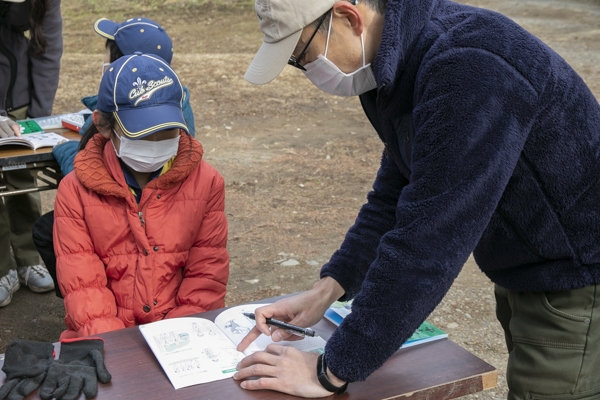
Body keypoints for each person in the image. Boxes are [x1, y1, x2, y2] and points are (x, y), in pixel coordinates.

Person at [233, 0, 600, 398]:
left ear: (348, 17)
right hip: (530, 261)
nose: (306, 72)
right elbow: (398, 190)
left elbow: (430, 237)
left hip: (578, 275)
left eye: (301, 55)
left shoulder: (467, 66)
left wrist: (331, 370)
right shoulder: (395, 63)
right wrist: (330, 288)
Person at [52, 53, 229, 339]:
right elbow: (85, 288)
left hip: (183, 335)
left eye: (167, 130)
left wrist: (177, 339)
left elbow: (205, 277)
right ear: (103, 125)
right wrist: (118, 348)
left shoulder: (206, 182)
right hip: (107, 337)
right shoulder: (75, 191)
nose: (157, 143)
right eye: (142, 134)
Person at [32, 16, 197, 298]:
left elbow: (87, 171)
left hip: (135, 209)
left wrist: (63, 148)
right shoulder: (178, 101)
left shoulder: (204, 183)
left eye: (106, 53)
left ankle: (89, 293)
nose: (103, 60)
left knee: (49, 231)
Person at [0, 0, 62, 307]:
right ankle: (1, 269)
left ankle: (28, 258)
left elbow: (48, 50)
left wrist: (37, 117)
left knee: (21, 180)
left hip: (19, 97)